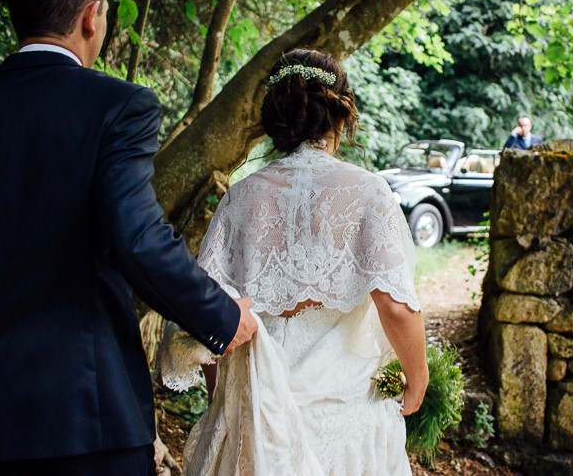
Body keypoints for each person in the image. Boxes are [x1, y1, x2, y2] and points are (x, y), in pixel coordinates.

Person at [0, 0, 257, 475]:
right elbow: (139, 238)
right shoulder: (118, 106)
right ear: (91, 16)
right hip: (88, 415)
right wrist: (222, 316)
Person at [159, 49, 429, 475]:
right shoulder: (368, 193)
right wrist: (418, 381)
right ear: (341, 116)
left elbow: (210, 318)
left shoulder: (240, 199)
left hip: (259, 424)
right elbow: (394, 306)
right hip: (344, 422)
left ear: (276, 120)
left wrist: (226, 402)